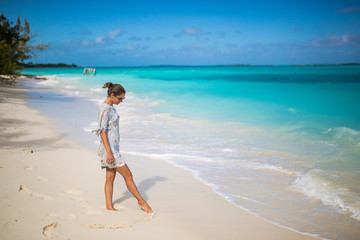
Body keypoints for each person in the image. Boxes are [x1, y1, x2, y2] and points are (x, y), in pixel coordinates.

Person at [93, 82, 152, 213]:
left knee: (110, 177)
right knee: (128, 175)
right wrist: (109, 152)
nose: (121, 101)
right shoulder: (105, 109)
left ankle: (109, 206)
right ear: (112, 95)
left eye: (123, 99)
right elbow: (102, 131)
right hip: (110, 151)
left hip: (112, 149)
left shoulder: (111, 107)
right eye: (120, 98)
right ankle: (141, 202)